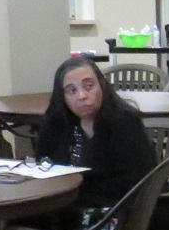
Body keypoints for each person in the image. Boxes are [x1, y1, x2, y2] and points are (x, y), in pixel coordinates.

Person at [34, 55, 157, 211]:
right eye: (71, 90)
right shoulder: (56, 123)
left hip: (119, 209)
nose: (82, 96)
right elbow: (43, 166)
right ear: (62, 97)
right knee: (22, 218)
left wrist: (76, 191)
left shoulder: (125, 122)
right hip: (66, 202)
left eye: (88, 86)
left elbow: (133, 183)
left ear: (102, 86)